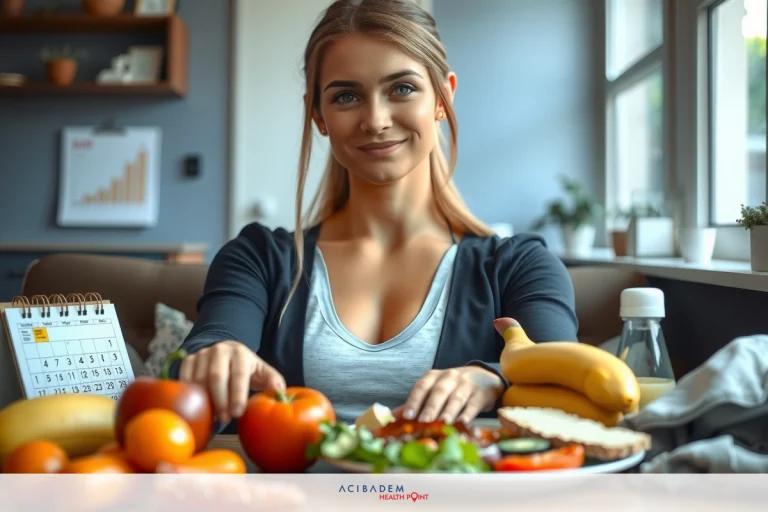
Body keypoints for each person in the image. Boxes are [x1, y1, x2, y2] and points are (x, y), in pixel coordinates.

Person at [172, 0, 578, 430]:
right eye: (346, 96)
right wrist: (214, 356)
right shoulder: (256, 258)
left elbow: (565, 387)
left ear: (443, 97)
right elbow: (204, 352)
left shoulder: (522, 267)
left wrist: (492, 378)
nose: (376, 120)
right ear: (319, 116)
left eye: (401, 88)